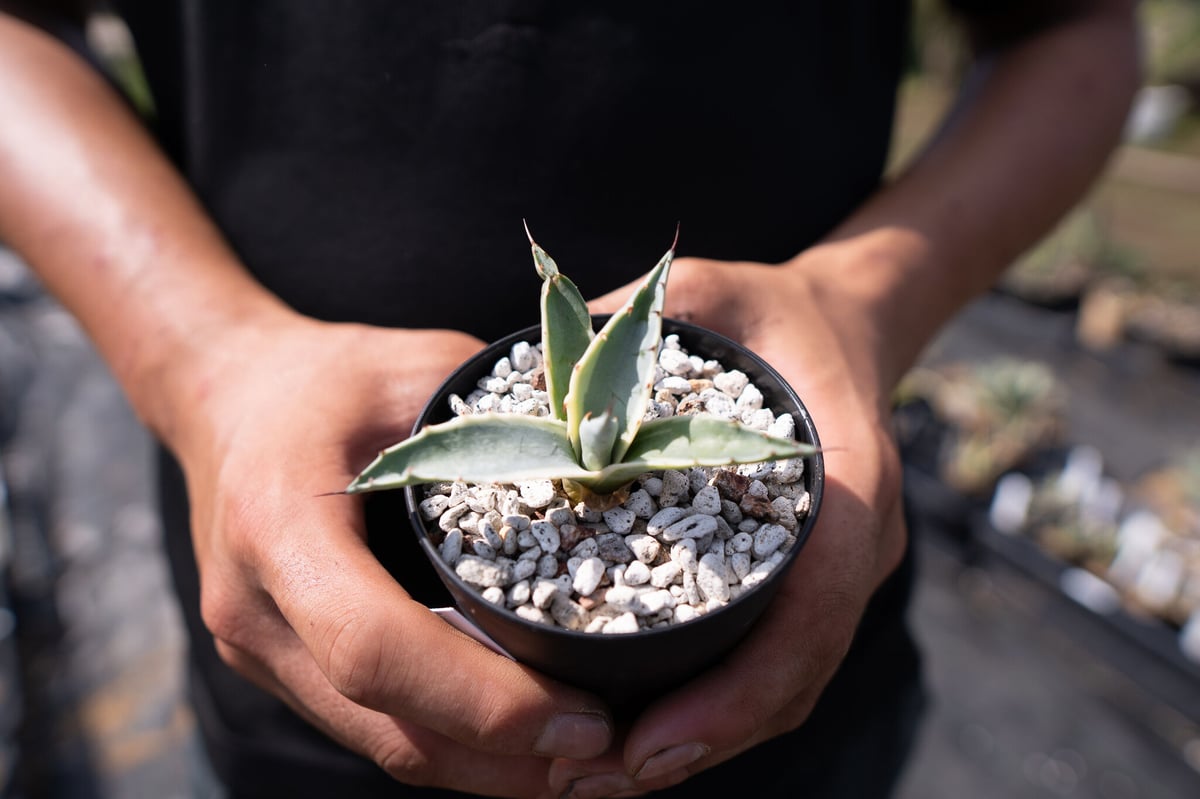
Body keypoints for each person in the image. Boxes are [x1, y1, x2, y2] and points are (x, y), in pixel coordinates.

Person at [0, 1, 1139, 797]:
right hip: (289, 706)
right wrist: (204, 358)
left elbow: (1072, 27)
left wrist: (861, 302)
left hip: (813, 676)